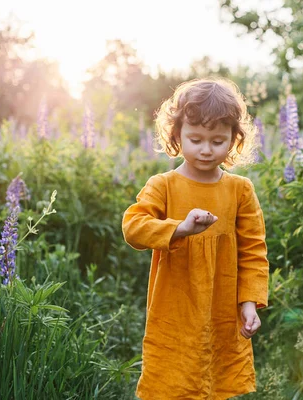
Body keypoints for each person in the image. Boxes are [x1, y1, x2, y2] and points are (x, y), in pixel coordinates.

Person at [122, 77, 269, 399]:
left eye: (217, 140)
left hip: (222, 307)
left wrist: (249, 304)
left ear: (234, 140)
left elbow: (253, 251)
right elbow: (133, 227)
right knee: (172, 379)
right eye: (196, 139)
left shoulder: (240, 190)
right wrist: (180, 229)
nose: (205, 149)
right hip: (175, 308)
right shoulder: (163, 185)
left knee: (218, 380)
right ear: (176, 135)